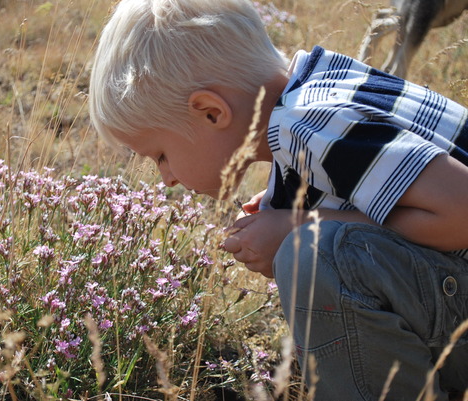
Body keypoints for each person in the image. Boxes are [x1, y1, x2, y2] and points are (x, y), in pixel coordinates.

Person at [88, 0, 468, 399]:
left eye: (160, 155)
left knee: (315, 257)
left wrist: (301, 226)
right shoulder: (317, 85)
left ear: (211, 113)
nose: (165, 179)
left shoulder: (304, 123)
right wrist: (300, 209)